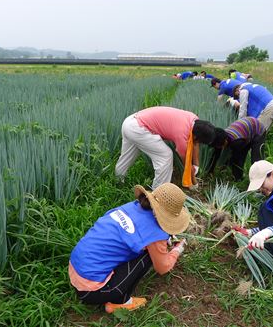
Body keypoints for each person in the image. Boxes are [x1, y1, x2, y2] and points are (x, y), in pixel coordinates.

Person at [69, 183, 190, 313]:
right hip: (92, 291)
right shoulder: (155, 234)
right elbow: (163, 267)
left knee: (140, 248)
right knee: (149, 255)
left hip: (75, 270)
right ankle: (120, 302)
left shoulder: (131, 207)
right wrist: (176, 251)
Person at [115, 106, 216, 189]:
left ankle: (117, 180)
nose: (198, 143)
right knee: (165, 156)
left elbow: (195, 144)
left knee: (127, 156)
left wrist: (196, 165)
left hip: (130, 122)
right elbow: (186, 162)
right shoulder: (182, 133)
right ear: (196, 136)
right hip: (138, 128)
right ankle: (158, 192)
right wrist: (193, 179)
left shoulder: (194, 120)